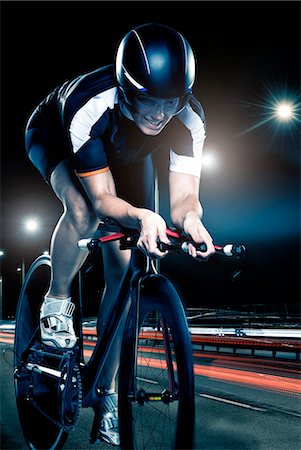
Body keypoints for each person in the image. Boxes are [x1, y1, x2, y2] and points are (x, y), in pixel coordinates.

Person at [25, 23, 215, 445]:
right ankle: (56, 300)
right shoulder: (90, 104)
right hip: (57, 134)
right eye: (149, 99)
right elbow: (101, 199)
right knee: (84, 212)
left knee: (126, 265)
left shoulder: (189, 118)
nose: (161, 113)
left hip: (126, 152)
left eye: (171, 101)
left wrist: (191, 221)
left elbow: (184, 199)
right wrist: (139, 216)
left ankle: (106, 390)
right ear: (127, 90)